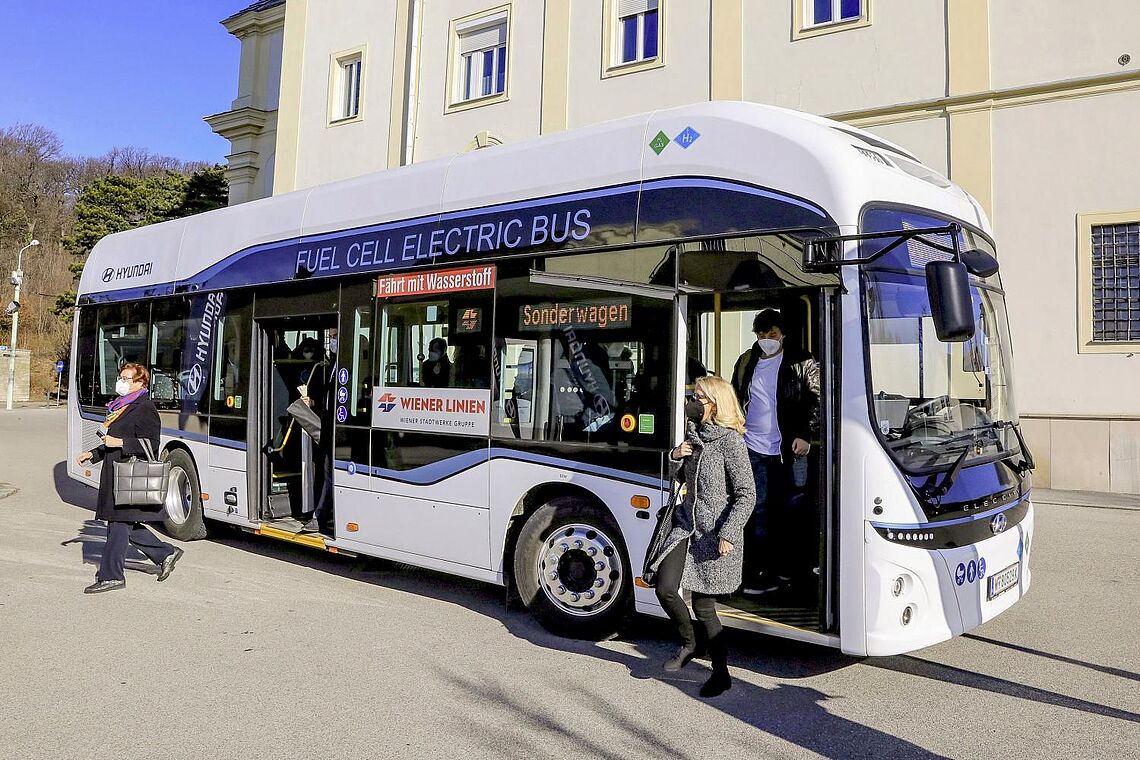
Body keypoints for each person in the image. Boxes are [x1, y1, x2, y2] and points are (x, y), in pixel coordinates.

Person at [647, 375, 755, 698]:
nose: (691, 403)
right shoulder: (693, 435)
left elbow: (747, 494)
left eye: (698, 398)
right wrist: (676, 455)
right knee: (665, 588)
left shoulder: (731, 443)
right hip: (685, 523)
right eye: (692, 396)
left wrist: (729, 532)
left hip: (715, 534)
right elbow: (679, 477)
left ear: (715, 405)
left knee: (705, 607)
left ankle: (721, 675)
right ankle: (690, 642)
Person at [731, 309, 820, 594]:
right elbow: (735, 397)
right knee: (757, 509)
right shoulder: (747, 361)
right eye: (761, 334)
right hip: (752, 445)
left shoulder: (801, 361)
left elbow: (818, 399)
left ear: (783, 334)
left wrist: (806, 434)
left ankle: (792, 571)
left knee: (793, 508)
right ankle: (758, 571)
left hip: (790, 449)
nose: (767, 339)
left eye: (773, 334)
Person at [76, 363, 183, 593]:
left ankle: (111, 576)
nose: (120, 382)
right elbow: (111, 440)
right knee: (124, 525)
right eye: (121, 377)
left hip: (128, 476)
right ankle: (166, 553)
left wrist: (121, 443)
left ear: (139, 383)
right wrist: (93, 454)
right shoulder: (120, 407)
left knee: (117, 525)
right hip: (115, 473)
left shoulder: (145, 408)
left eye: (126, 379)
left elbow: (151, 444)